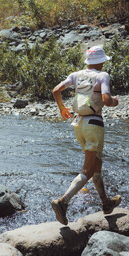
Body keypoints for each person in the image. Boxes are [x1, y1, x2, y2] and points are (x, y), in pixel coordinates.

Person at [51, 46, 121, 225]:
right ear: (101, 61)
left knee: (97, 163)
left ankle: (106, 203)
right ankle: (63, 202)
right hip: (94, 125)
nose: (105, 62)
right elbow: (106, 100)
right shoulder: (102, 76)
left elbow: (56, 90)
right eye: (104, 60)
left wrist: (62, 108)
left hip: (78, 125)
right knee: (88, 170)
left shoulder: (76, 75)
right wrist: (115, 102)